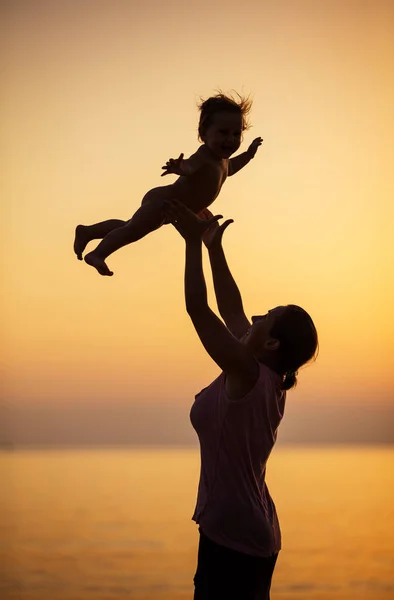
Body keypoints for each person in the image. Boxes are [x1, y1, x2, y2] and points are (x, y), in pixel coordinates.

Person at [162, 200, 319, 600]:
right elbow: (231, 308)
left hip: (235, 535)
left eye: (265, 316)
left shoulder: (247, 373)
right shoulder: (259, 371)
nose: (253, 316)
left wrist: (192, 244)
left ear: (270, 342)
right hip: (248, 529)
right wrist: (215, 248)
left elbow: (199, 308)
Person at [73, 92, 263, 276]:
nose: (229, 139)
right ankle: (98, 254)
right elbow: (190, 166)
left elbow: (234, 166)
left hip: (169, 205)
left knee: (130, 225)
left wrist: (249, 154)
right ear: (204, 133)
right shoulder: (204, 155)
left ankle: (88, 232)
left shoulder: (223, 162)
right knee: (133, 230)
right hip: (165, 201)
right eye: (223, 133)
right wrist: (180, 168)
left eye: (236, 134)